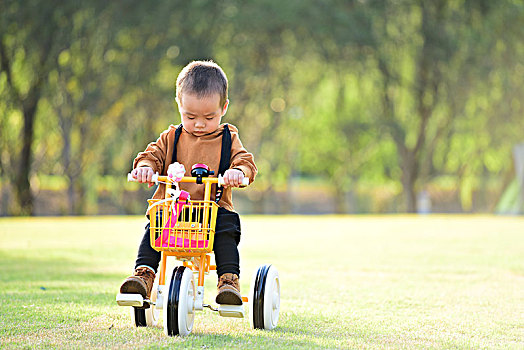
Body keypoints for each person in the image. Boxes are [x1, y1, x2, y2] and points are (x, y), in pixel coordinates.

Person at [119, 60, 257, 305]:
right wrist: (145, 168)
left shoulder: (228, 138)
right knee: (155, 223)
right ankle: (144, 275)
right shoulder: (172, 137)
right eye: (190, 116)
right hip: (174, 209)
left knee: (227, 228)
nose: (200, 123)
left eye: (209, 116)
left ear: (223, 107)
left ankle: (228, 280)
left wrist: (238, 171)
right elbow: (152, 155)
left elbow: (244, 161)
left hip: (212, 212)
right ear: (179, 105)